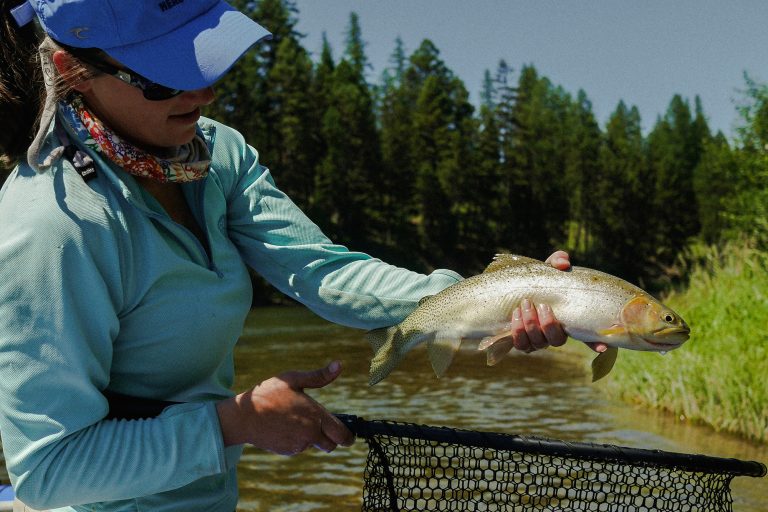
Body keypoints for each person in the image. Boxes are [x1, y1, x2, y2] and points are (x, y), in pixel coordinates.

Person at [0, 1, 604, 510]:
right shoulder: (54, 228)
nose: (206, 91)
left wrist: (487, 298)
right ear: (72, 71)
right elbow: (49, 469)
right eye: (166, 76)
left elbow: (324, 271)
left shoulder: (213, 155)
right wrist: (234, 423)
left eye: (206, 59)